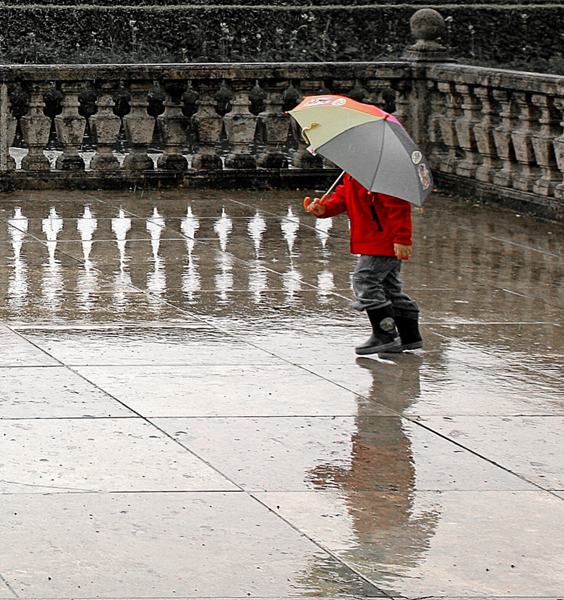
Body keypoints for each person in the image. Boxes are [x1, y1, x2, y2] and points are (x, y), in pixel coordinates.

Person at [305, 173, 423, 355]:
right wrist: (325, 209)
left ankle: (385, 333)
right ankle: (409, 335)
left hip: (383, 241)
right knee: (388, 287)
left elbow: (399, 206)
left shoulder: (385, 177)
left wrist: (402, 238)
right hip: (371, 239)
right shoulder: (352, 175)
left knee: (365, 280)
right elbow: (343, 196)